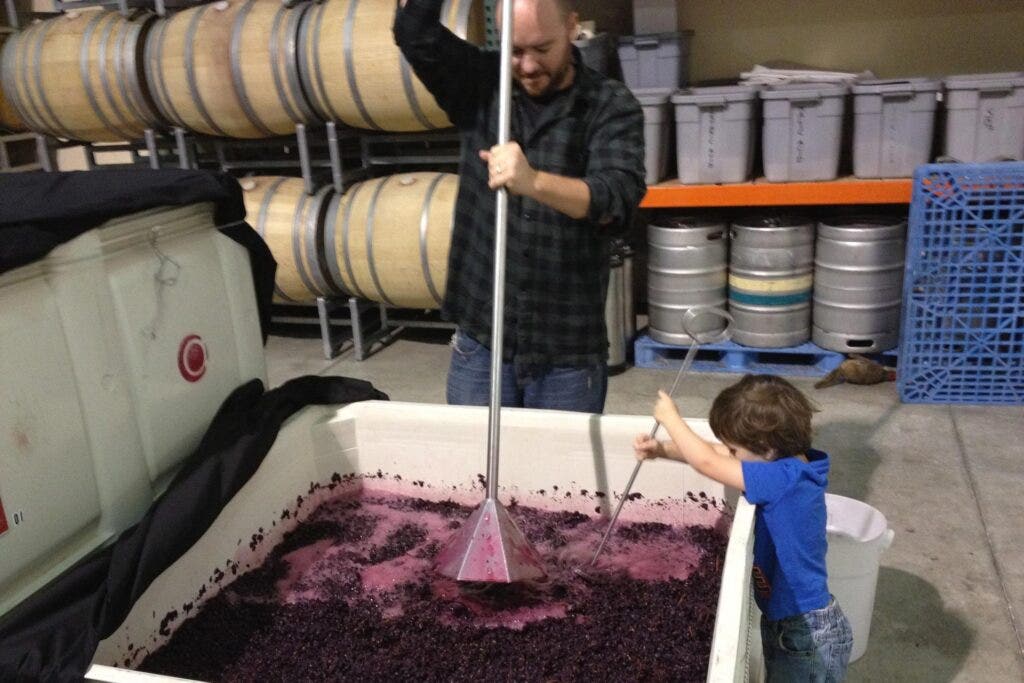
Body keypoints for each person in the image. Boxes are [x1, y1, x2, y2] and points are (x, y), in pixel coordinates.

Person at [394, 0, 646, 413]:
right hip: (482, 340)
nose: (527, 66)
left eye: (542, 49)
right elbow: (413, 32)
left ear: (571, 27)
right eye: (515, 50)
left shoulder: (609, 104)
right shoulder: (480, 83)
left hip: (566, 350)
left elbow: (616, 199)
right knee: (474, 472)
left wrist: (534, 182)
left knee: (558, 477)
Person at [634, 374, 854, 682]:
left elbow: (709, 462)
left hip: (805, 634)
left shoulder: (784, 480)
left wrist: (672, 419)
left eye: (735, 450)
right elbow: (718, 454)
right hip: (789, 623)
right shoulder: (783, 462)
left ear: (765, 448)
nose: (730, 454)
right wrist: (662, 449)